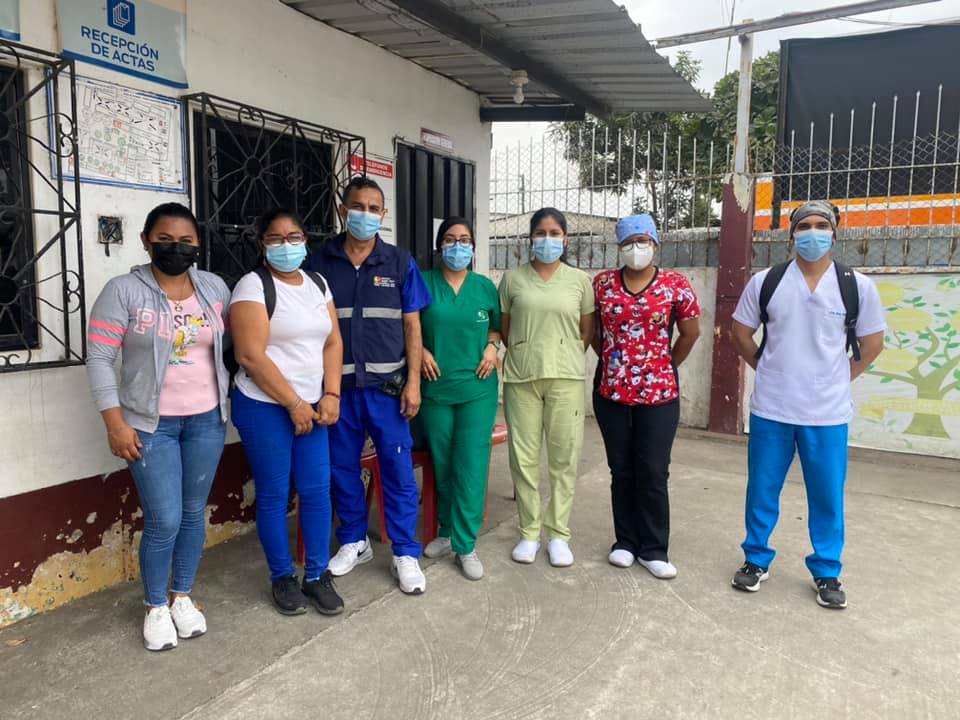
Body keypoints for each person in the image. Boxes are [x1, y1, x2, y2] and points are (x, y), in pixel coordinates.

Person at [86, 203, 230, 651]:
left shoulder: (214, 287)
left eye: (186, 241)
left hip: (207, 420)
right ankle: (155, 605)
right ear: (146, 241)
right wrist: (115, 423)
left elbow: (229, 346)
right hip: (151, 426)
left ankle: (182, 595)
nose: (176, 248)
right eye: (165, 240)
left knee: (192, 512)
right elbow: (100, 358)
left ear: (198, 245)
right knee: (165, 518)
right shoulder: (123, 291)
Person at [730, 200, 885, 609]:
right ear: (791, 234)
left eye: (821, 225)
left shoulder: (856, 286)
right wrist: (766, 367)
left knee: (827, 494)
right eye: (804, 226)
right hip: (772, 409)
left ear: (834, 233)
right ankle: (755, 559)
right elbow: (740, 333)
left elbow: (872, 344)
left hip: (827, 414)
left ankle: (827, 569)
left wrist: (839, 378)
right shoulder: (766, 281)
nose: (812, 233)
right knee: (762, 489)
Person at [307, 176, 432, 594]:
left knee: (397, 469)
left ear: (383, 214)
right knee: (341, 468)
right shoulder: (319, 263)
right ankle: (354, 540)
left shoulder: (399, 262)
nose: (365, 214)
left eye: (373, 208)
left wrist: (413, 383)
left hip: (387, 389)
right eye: (357, 206)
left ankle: (405, 551)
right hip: (338, 389)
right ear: (342, 210)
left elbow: (413, 326)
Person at [230, 209, 345, 617]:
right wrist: (294, 403)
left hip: (313, 405)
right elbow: (249, 355)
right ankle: (282, 577)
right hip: (265, 406)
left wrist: (331, 393)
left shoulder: (318, 284)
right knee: (275, 494)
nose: (286, 245)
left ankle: (316, 575)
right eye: (275, 238)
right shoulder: (252, 286)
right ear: (262, 244)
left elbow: (333, 342)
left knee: (316, 490)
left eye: (293, 237)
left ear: (305, 241)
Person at [592, 214, 701, 579]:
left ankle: (654, 548)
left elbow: (690, 333)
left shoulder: (675, 285)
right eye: (628, 242)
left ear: (655, 243)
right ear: (619, 246)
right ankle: (625, 542)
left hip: (659, 394)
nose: (636, 248)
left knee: (653, 471)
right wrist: (616, 361)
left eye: (643, 241)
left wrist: (663, 364)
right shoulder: (603, 284)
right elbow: (594, 332)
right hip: (611, 393)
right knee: (621, 469)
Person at [499, 207, 595, 567]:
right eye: (541, 233)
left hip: (565, 378)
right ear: (530, 238)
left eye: (555, 233)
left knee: (564, 457)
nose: (547, 240)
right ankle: (528, 533)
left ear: (566, 239)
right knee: (523, 458)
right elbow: (505, 328)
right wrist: (529, 351)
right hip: (522, 377)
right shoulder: (512, 279)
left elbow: (586, 331)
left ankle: (558, 535)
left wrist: (560, 355)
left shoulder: (579, 281)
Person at [417, 217, 502, 581]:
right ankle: (447, 531)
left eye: (464, 240)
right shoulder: (422, 282)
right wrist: (420, 350)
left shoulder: (484, 287)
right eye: (450, 239)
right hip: (435, 388)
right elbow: (408, 324)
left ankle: (466, 545)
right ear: (439, 247)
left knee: (470, 465)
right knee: (443, 463)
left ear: (473, 247)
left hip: (477, 389)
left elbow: (497, 327)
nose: (457, 246)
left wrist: (492, 347)